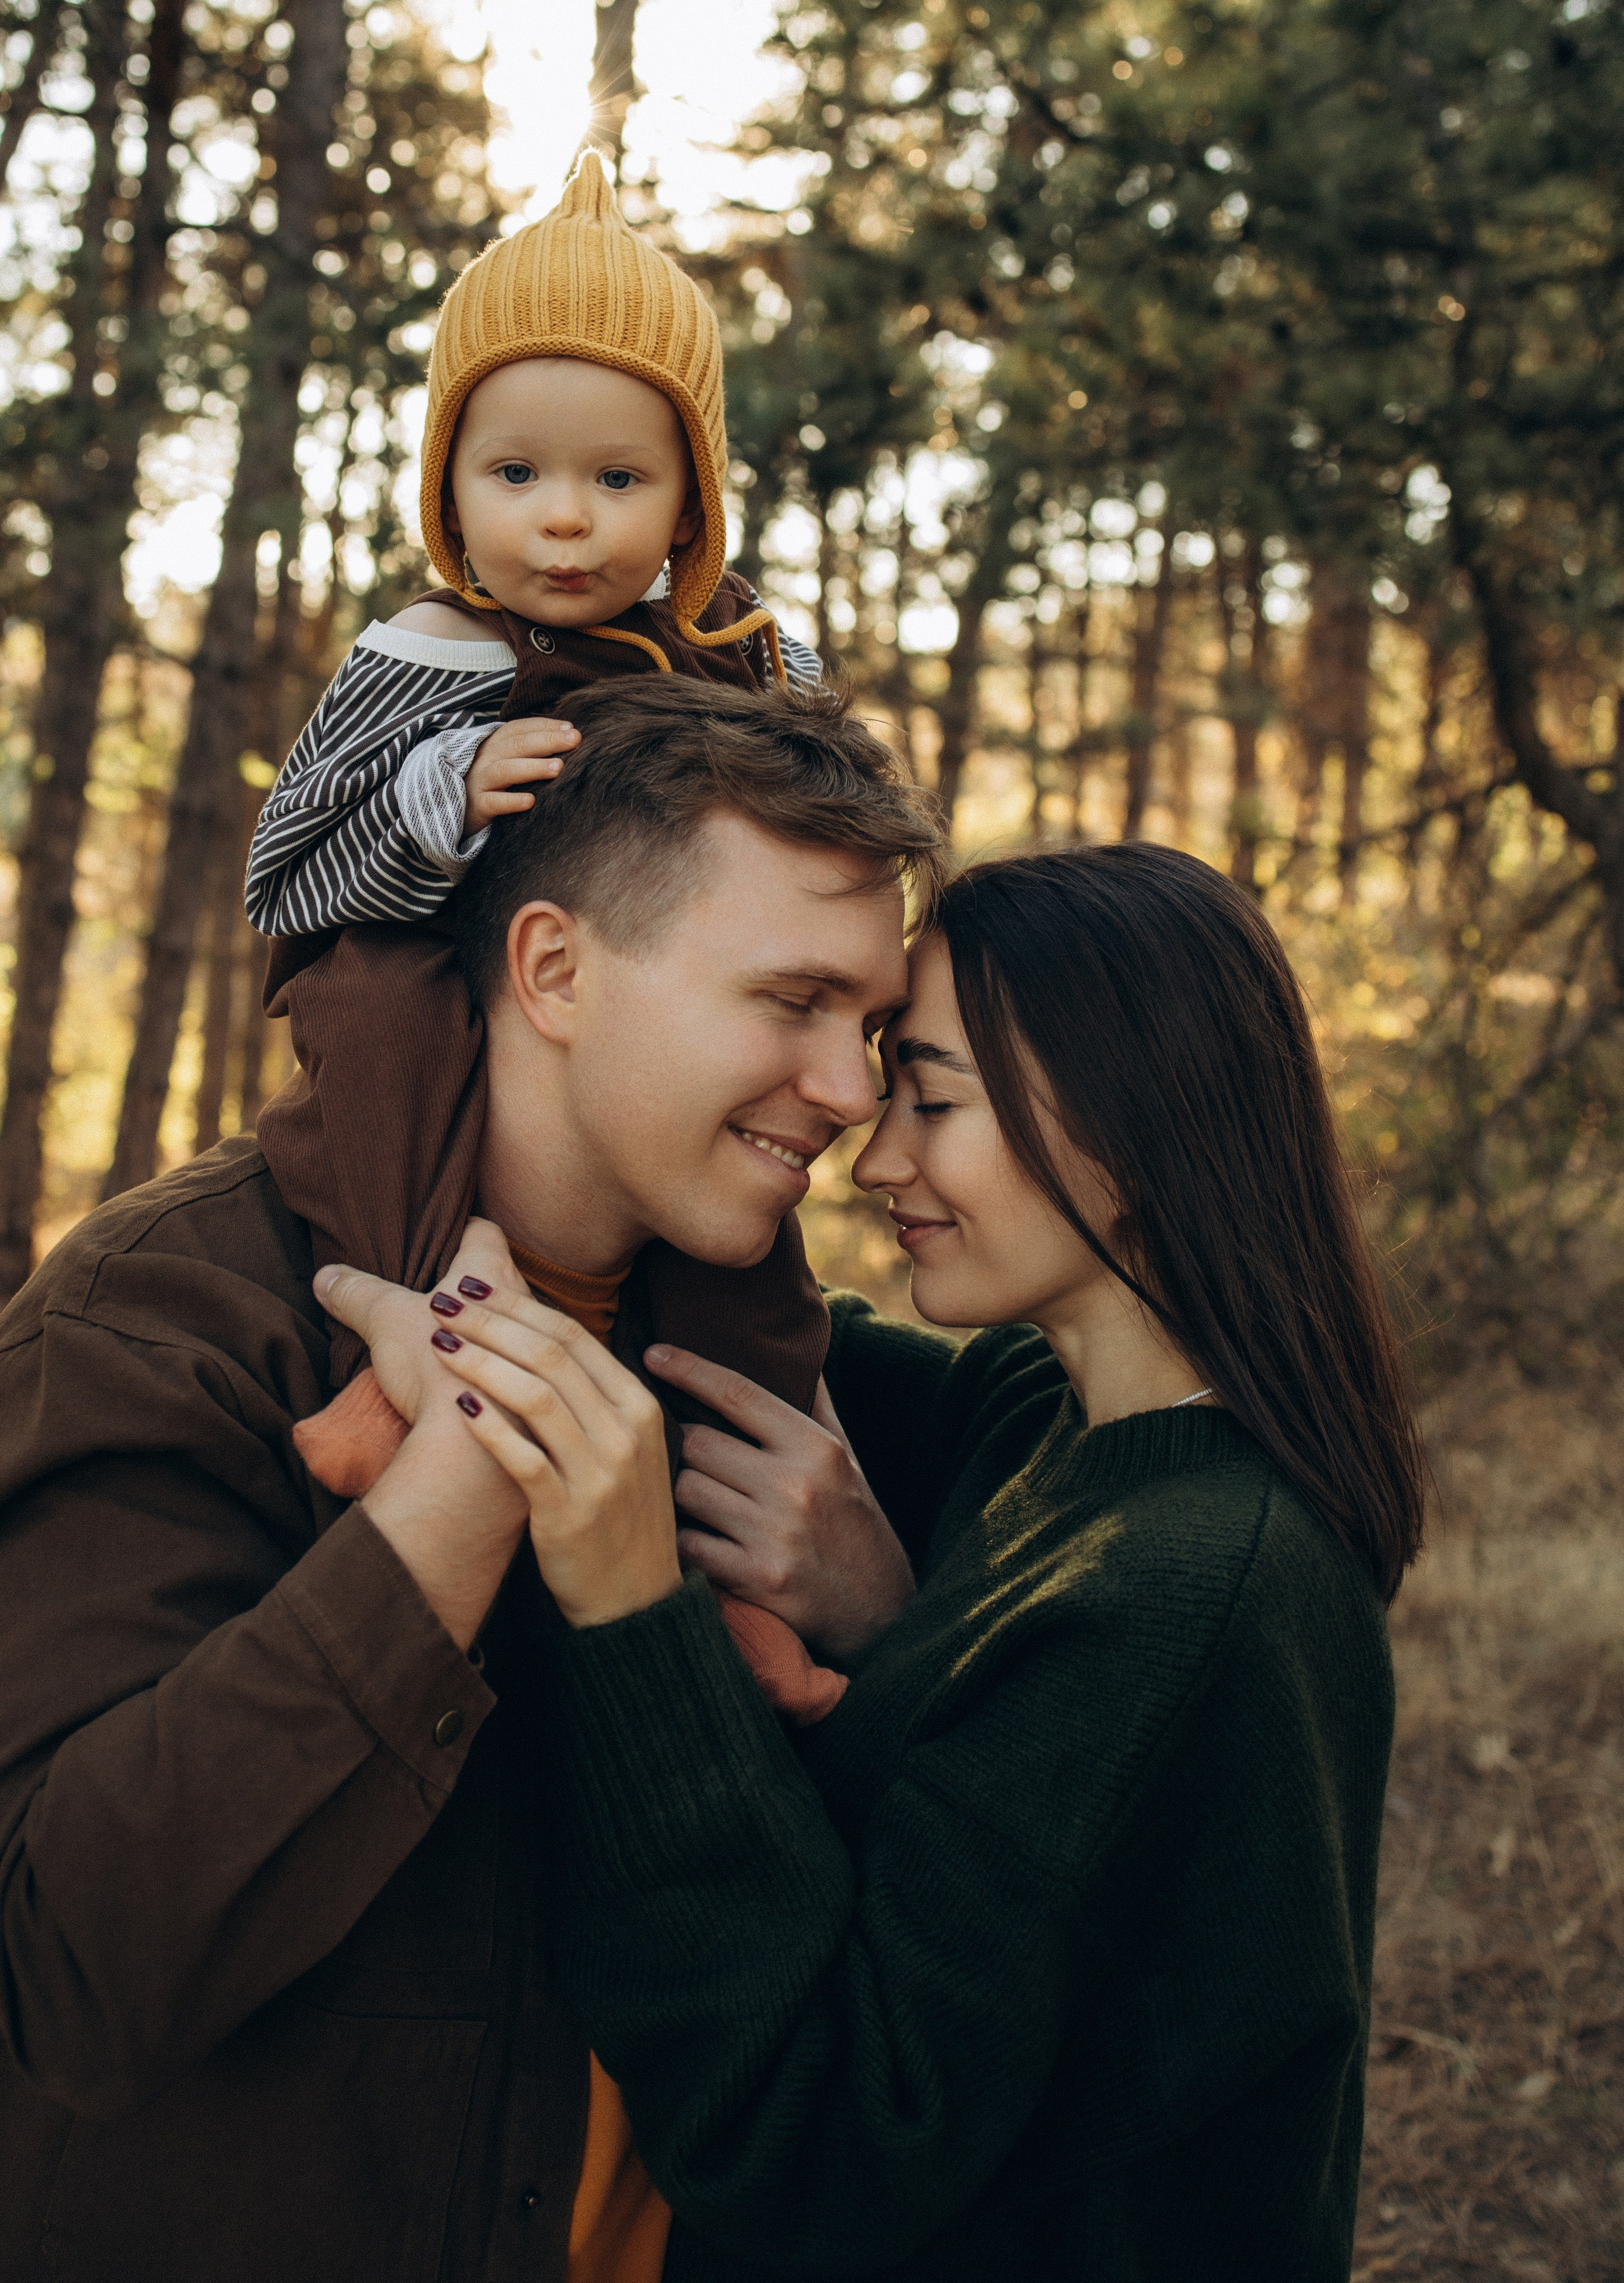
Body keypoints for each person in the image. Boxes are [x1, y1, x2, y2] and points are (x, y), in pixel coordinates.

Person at [331, 841, 1427, 2282]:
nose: (878, 1148)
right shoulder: (1054, 1424)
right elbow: (706, 1311)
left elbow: (816, 2142)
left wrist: (631, 1611)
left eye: (932, 1097)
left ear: (1130, 1121)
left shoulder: (1190, 1596)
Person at [0, 677, 940, 2283]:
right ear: (555, 966)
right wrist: (458, 1493)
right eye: (789, 1000)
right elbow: (69, 1972)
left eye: (866, 1026)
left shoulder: (760, 1368)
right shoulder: (167, 1318)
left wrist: (879, 1618)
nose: (852, 1095)